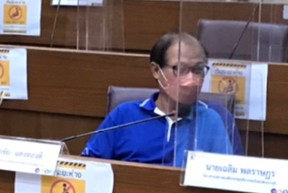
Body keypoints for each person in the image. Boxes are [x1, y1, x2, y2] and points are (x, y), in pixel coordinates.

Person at [83, 32, 241, 166]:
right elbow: (89, 168)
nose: (192, 80)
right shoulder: (124, 116)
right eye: (181, 69)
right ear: (156, 71)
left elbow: (232, 179)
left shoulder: (214, 119)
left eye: (198, 70)